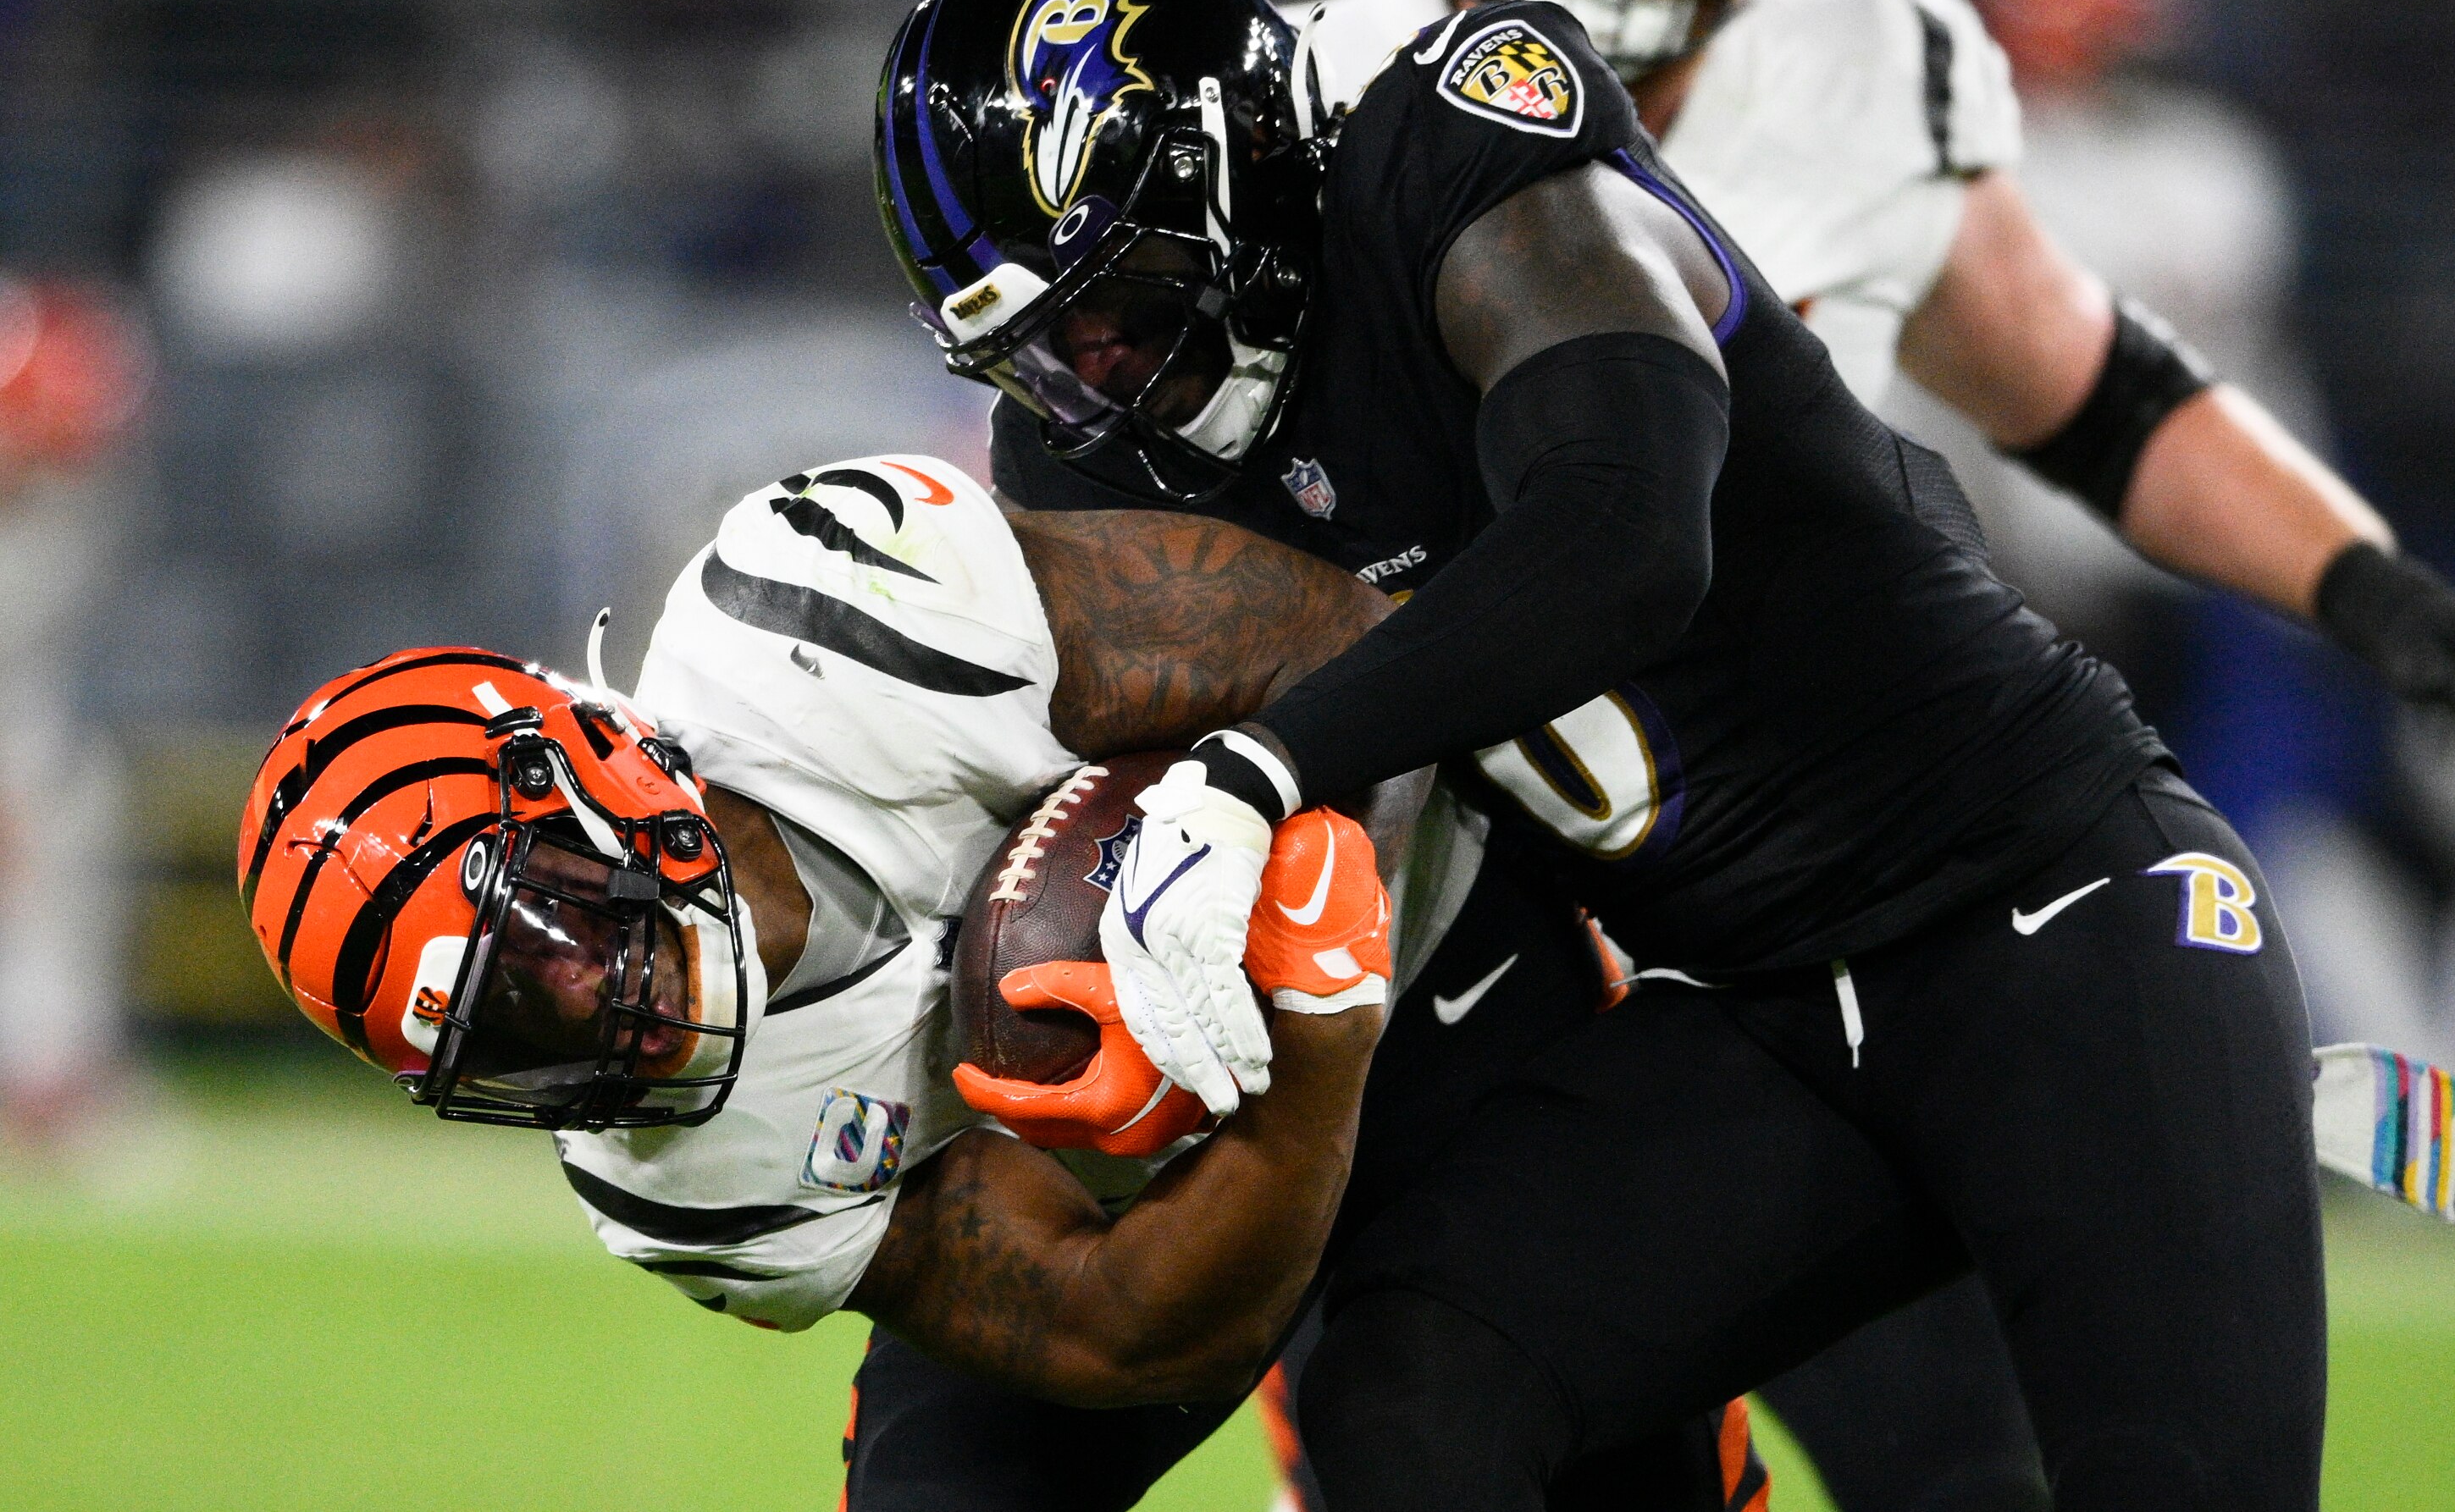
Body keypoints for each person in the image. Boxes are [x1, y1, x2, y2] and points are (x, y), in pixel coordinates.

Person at [869, 0, 2455, 1510]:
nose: (1098, 374)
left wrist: (1260, 769)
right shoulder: (1095, 450)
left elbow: (1625, 529)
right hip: (1757, 1012)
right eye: (1040, 351)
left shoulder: (1459, 137)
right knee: (1413, 1386)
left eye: (1120, 302)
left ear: (1235, 167)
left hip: (2053, 910)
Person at [235, 450, 1765, 1508]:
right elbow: (1123, 1329)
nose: (582, 1008)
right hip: (1198, 1151)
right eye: (507, 1036)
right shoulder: (671, 1180)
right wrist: (1302, 1047)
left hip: (1431, 964)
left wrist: (1290, 887)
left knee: (1460, 1450)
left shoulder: (818, 621)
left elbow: (1341, 645)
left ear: (596, 771)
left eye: (550, 930)